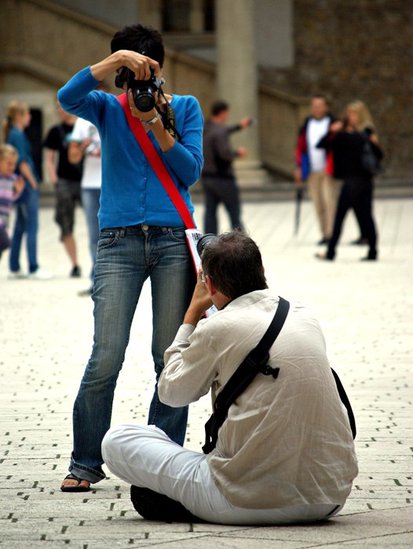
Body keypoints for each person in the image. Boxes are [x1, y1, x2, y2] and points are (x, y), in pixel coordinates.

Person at [102, 231, 358, 525]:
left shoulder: (218, 327)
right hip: (328, 498)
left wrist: (191, 315)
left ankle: (191, 499)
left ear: (208, 284)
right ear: (261, 271)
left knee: (117, 440)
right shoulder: (304, 316)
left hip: (245, 500)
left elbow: (171, 393)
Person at [57, 23, 203, 492]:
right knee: (106, 355)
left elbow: (190, 172)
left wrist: (157, 124)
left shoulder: (184, 108)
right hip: (118, 243)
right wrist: (112, 61)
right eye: (133, 69)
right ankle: (84, 461)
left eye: (147, 68)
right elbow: (67, 96)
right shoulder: (105, 107)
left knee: (169, 356)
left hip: (170, 242)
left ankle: (158, 464)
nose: (140, 82)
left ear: (160, 70)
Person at [316, 100, 382, 261]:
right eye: (349, 114)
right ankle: (372, 251)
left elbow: (378, 155)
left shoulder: (358, 134)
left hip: (357, 181)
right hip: (360, 180)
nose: (350, 117)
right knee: (365, 216)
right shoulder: (361, 133)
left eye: (353, 114)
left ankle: (331, 252)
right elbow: (323, 144)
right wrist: (333, 132)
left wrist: (337, 132)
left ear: (360, 115)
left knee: (343, 216)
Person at [3, 101, 52, 279]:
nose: (30, 117)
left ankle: (14, 266)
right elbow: (22, 162)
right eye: (27, 114)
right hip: (26, 184)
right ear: (19, 116)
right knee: (32, 225)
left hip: (20, 184)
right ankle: (33, 267)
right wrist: (33, 182)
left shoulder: (14, 133)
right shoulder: (17, 135)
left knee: (20, 226)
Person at [201, 100, 252, 234]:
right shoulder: (220, 131)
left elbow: (224, 130)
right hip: (223, 178)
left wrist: (240, 126)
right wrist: (238, 153)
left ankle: (209, 243)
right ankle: (241, 244)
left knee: (210, 213)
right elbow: (225, 153)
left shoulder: (206, 127)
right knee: (234, 212)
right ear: (223, 113)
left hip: (207, 177)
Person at [44, 103, 83, 277]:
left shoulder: (83, 127)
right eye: (57, 107)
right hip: (65, 182)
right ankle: (75, 264)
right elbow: (49, 159)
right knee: (66, 222)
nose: (59, 110)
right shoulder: (55, 131)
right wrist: (54, 179)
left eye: (62, 107)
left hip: (86, 181)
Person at [294, 95, 339, 245]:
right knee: (318, 203)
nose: (317, 108)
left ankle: (332, 233)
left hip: (328, 170)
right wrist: (299, 167)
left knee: (329, 202)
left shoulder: (333, 123)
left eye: (320, 105)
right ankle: (324, 234)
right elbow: (300, 147)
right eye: (314, 105)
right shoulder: (307, 124)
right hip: (312, 170)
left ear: (326, 107)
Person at [68, 116, 102, 294]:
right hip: (89, 185)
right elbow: (72, 157)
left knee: (116, 235)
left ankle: (109, 281)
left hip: (112, 184)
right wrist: (83, 146)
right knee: (93, 237)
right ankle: (96, 281)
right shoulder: (82, 122)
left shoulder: (112, 115)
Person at [0, 145, 24, 262]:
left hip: (4, 221)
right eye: (8, 163)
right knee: (5, 243)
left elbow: (9, 200)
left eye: (14, 164)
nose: (11, 167)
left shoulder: (13, 179)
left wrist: (17, 192)